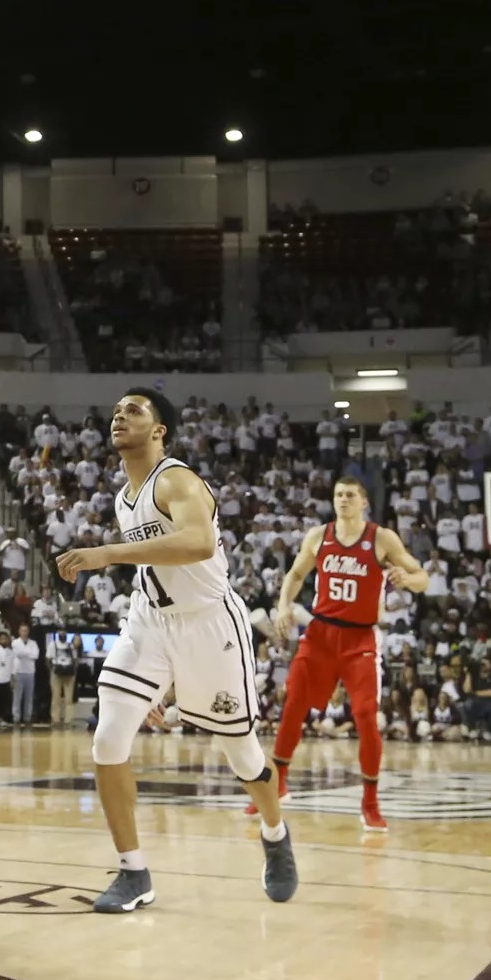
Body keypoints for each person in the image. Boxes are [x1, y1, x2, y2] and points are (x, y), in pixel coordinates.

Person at [55, 390, 296, 914]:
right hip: (149, 621)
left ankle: (275, 834)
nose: (119, 415)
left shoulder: (177, 479)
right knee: (108, 739)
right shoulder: (124, 497)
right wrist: (156, 681)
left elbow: (198, 544)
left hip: (210, 625)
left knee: (243, 753)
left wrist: (106, 554)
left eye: (134, 410)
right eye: (115, 409)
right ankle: (133, 871)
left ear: (160, 430)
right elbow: (157, 562)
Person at [263, 477, 431, 833]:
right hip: (321, 633)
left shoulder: (381, 538)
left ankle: (370, 802)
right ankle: (278, 782)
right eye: (338, 495)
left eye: (350, 495)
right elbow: (294, 574)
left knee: (367, 716)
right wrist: (283, 606)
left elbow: (423, 578)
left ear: (364, 501)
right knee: (293, 700)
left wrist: (406, 578)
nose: (343, 500)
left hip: (360, 639)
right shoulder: (318, 536)